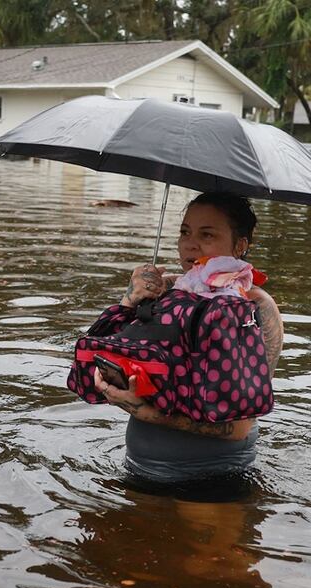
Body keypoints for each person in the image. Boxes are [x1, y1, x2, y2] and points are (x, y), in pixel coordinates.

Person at [91, 191, 284, 481]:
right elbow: (104, 353)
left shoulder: (255, 307)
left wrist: (146, 413)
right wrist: (130, 300)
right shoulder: (165, 291)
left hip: (214, 478)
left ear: (240, 245)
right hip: (139, 467)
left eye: (206, 235)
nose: (190, 245)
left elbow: (238, 427)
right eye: (185, 232)